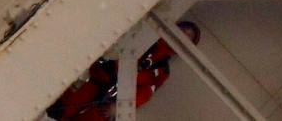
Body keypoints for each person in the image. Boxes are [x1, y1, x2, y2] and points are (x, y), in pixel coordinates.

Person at [46, 21, 200, 119]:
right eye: (183, 29)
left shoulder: (162, 70)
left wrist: (118, 108)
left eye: (187, 36)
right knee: (56, 110)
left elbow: (146, 93)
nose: (182, 34)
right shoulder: (145, 35)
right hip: (96, 79)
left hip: (108, 103)